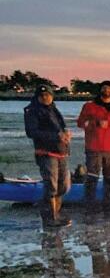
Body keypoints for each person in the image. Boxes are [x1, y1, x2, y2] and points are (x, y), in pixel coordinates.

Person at [24, 84, 71, 228]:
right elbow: (31, 132)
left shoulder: (53, 109)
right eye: (42, 95)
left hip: (60, 152)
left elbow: (61, 127)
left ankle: (56, 214)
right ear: (38, 97)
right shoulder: (32, 111)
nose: (45, 97)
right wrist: (56, 136)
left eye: (48, 95)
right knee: (51, 186)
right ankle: (49, 218)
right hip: (45, 152)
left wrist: (65, 135)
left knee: (63, 186)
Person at [76, 80, 110, 211]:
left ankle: (108, 203)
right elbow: (80, 123)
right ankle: (90, 204)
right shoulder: (89, 106)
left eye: (109, 89)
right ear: (100, 91)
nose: (106, 91)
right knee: (92, 177)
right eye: (104, 88)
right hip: (94, 148)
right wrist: (96, 123)